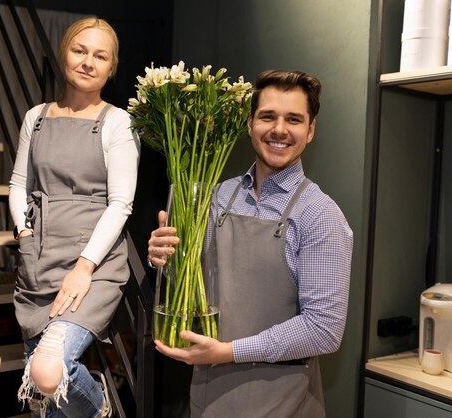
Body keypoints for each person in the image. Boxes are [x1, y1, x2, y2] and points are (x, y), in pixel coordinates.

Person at [147, 70, 353, 417]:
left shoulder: (320, 215)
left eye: (294, 119)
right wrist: (166, 261)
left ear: (311, 130)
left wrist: (228, 352)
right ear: (249, 123)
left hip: (281, 404)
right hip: (209, 398)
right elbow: (196, 287)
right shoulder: (221, 195)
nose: (279, 130)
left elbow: (323, 330)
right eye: (268, 116)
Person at [9, 17, 140, 418]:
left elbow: (120, 203)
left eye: (100, 56)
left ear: (111, 67)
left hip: (92, 266)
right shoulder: (37, 117)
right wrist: (24, 232)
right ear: (65, 52)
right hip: (39, 259)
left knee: (48, 371)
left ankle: (99, 405)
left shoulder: (118, 122)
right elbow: (19, 182)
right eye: (79, 50)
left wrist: (84, 267)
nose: (88, 62)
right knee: (47, 401)